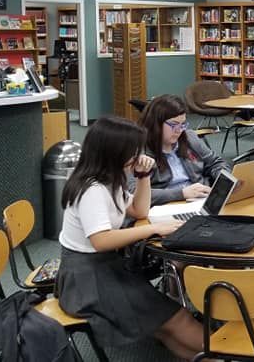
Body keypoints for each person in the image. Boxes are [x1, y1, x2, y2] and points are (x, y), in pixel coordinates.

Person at [56, 116, 202, 359]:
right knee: (176, 318)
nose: (138, 155)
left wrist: (143, 176)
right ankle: (228, 352)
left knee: (166, 323)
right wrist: (153, 229)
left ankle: (209, 355)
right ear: (113, 152)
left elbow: (139, 211)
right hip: (87, 279)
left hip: (100, 268)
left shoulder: (108, 179)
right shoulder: (92, 189)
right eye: (133, 151)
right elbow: (101, 240)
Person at [137, 94, 229, 205]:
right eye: (173, 124)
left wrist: (224, 179)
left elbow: (215, 162)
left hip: (200, 200)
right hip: (166, 205)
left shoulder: (189, 137)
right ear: (156, 124)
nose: (179, 130)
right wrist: (181, 193)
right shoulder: (138, 149)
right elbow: (133, 193)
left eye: (183, 124)